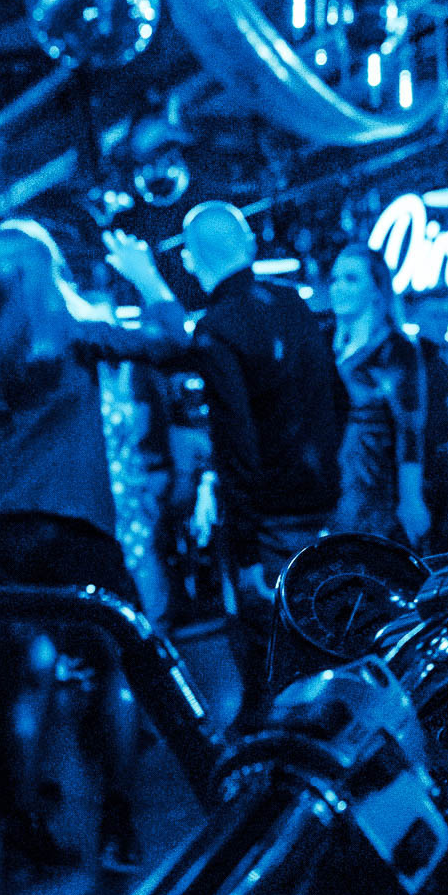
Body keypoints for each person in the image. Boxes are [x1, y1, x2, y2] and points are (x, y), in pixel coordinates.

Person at [0, 219, 188, 870]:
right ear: (48, 270)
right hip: (78, 524)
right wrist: (147, 277)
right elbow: (175, 345)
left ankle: (23, 829)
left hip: (3, 525)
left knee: (26, 680)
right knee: (118, 665)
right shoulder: (76, 332)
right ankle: (118, 824)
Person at [174, 201, 344, 722]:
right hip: (320, 501)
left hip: (269, 518)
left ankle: (274, 753)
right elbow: (335, 399)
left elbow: (238, 445)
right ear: (248, 244)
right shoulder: (292, 303)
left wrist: (245, 548)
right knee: (322, 633)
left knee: (270, 651)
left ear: (190, 260)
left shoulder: (216, 328)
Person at [327, 246, 448, 553]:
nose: (338, 287)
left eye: (351, 279)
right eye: (335, 279)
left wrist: (411, 499)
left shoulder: (396, 349)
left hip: (377, 484)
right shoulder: (326, 343)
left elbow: (410, 430)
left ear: (376, 290)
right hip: (332, 484)